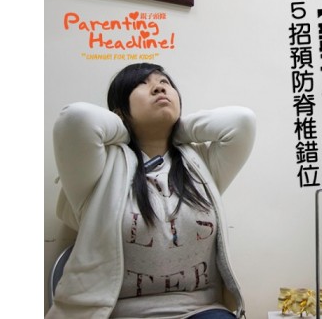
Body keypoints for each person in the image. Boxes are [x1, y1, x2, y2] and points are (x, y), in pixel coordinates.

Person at [47, 63, 257, 319]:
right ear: (119, 111)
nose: (159, 87)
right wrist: (127, 128)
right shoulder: (100, 168)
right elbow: (76, 118)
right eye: (142, 84)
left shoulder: (201, 163)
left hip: (199, 310)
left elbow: (242, 121)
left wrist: (175, 128)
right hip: (115, 313)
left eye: (164, 82)